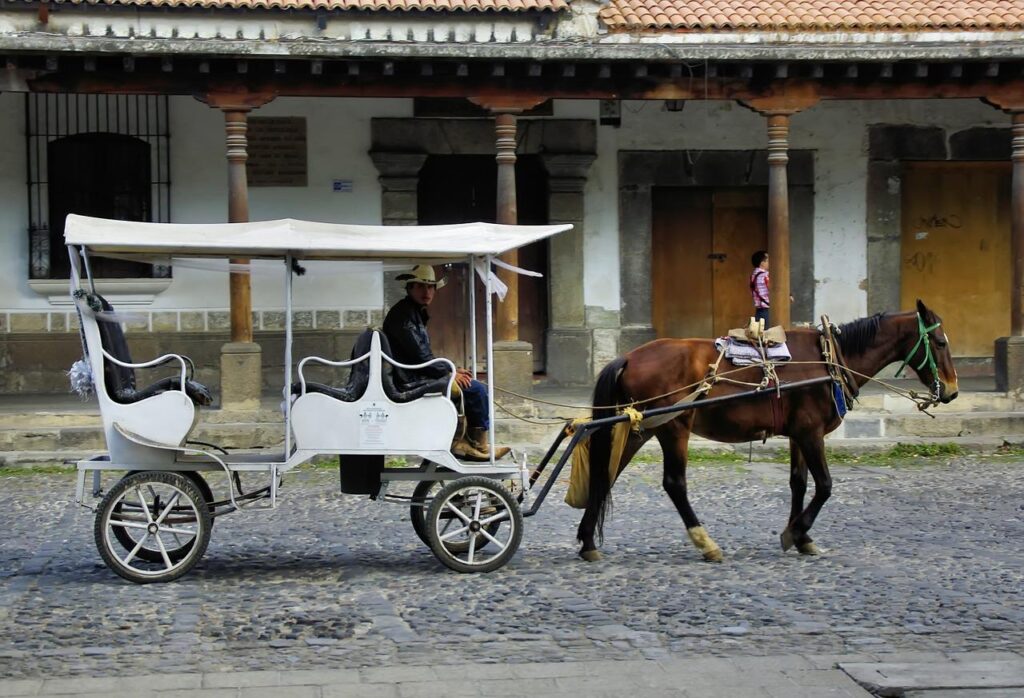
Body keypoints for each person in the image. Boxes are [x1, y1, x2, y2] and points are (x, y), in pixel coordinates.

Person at [383, 265, 511, 462]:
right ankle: (476, 445)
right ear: (410, 288)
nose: (426, 292)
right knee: (476, 389)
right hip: (409, 380)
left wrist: (450, 368)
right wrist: (450, 373)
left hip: (414, 374)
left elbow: (422, 355)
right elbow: (421, 358)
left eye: (430, 287)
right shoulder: (404, 315)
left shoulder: (413, 311)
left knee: (470, 383)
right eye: (420, 287)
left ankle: (466, 442)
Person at [750, 250, 770, 326]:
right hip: (767, 311)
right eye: (768, 260)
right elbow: (776, 290)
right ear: (762, 263)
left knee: (760, 335)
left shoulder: (754, 275)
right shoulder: (766, 275)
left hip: (759, 311)